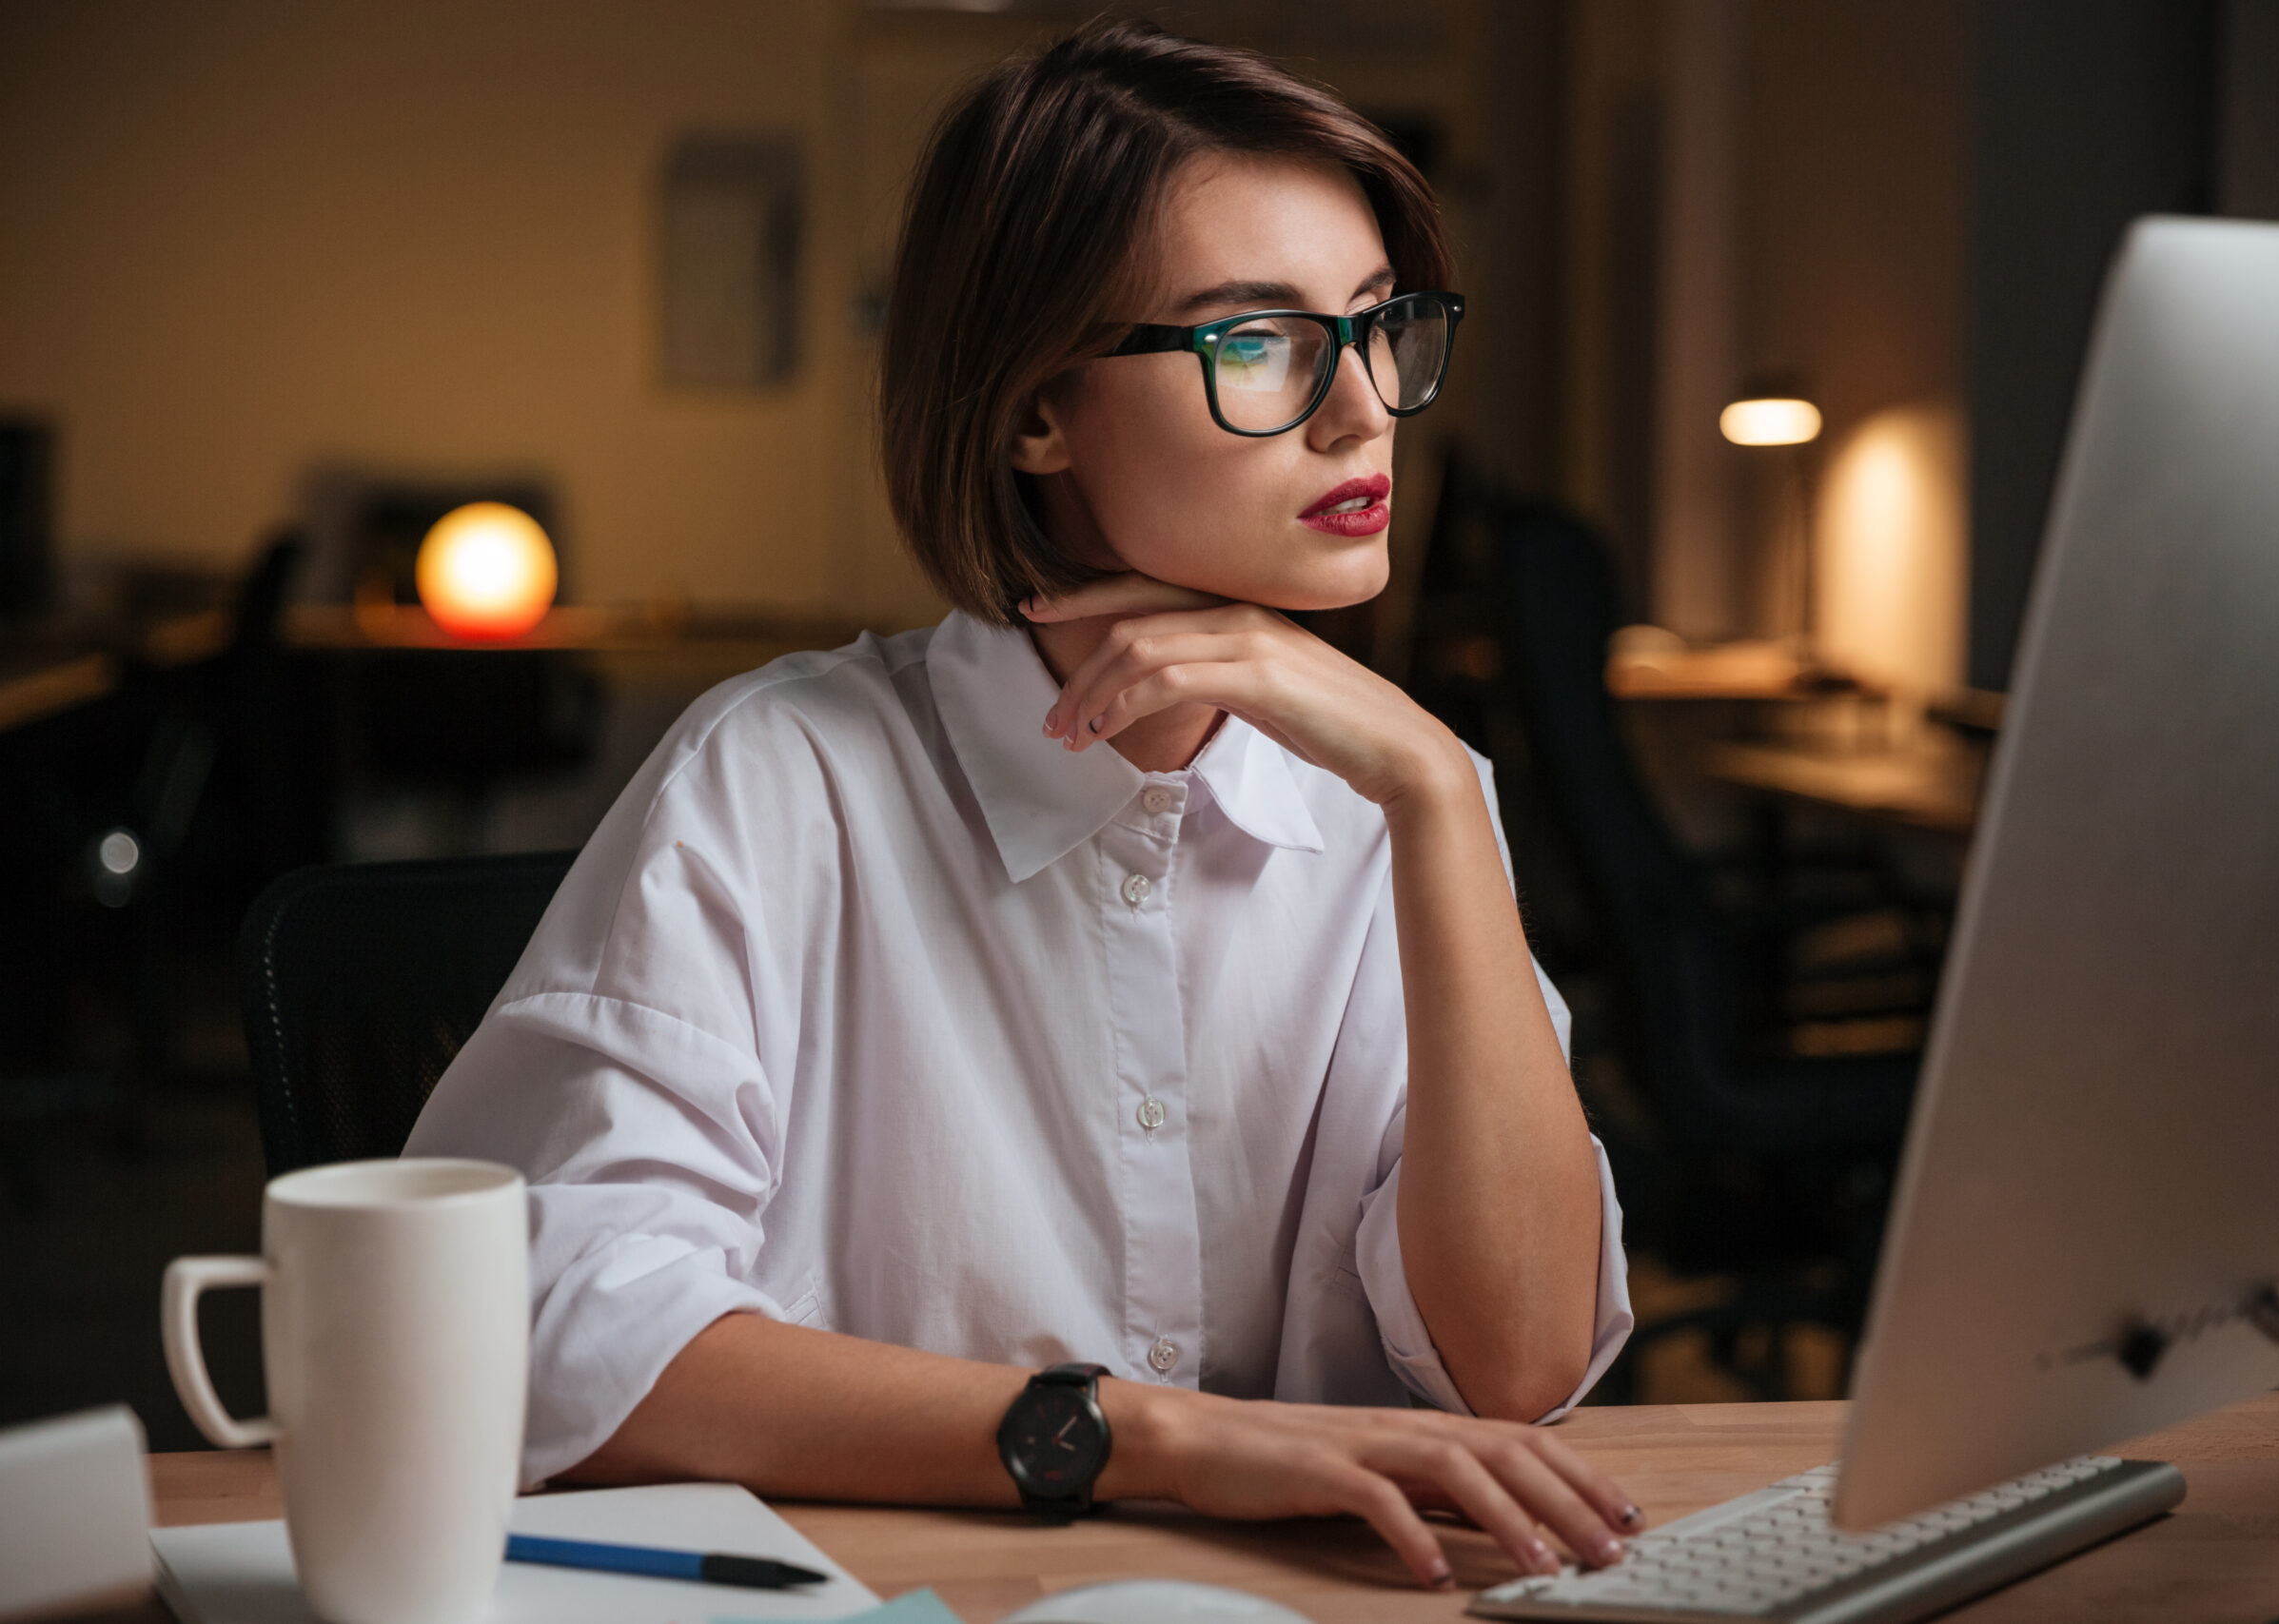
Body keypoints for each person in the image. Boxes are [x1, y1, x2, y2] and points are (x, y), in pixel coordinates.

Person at [405, 19, 1639, 1591]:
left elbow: (1519, 1366)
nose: (1362, 413)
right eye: (1256, 341)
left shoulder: (1405, 801)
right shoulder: (780, 780)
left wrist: (1433, 798)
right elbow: (537, 1321)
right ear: (1032, 411)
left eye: (1379, 326)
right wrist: (1146, 1434)